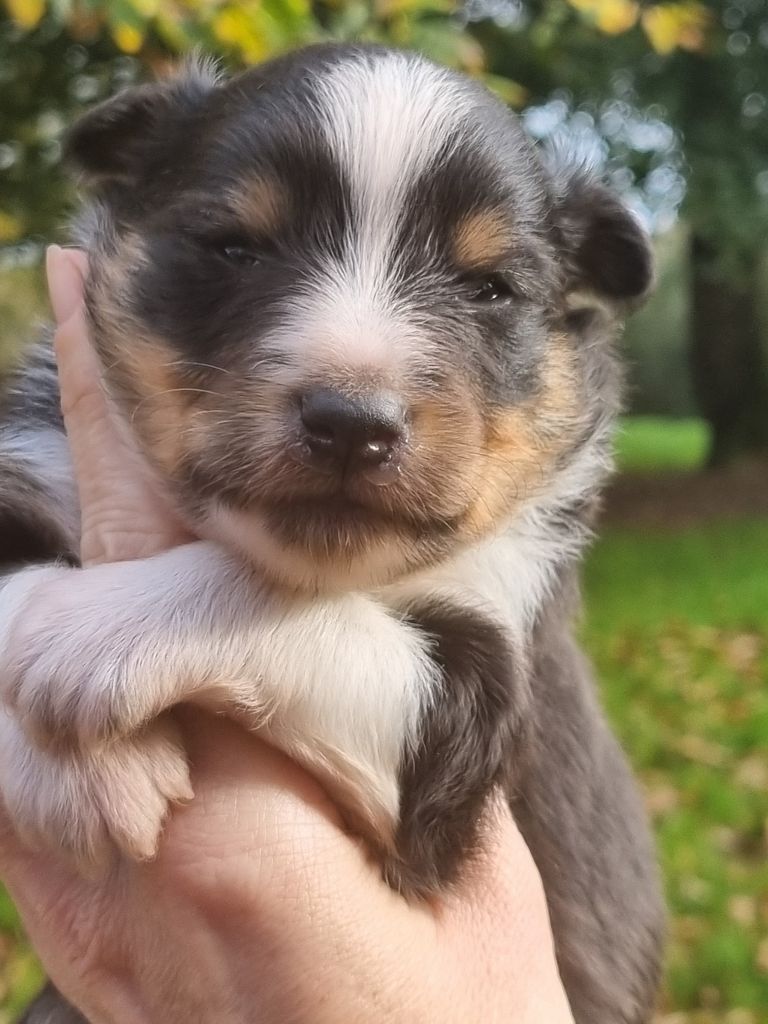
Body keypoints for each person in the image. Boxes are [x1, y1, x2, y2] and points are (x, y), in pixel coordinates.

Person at [0, 246, 574, 1023]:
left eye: (486, 288)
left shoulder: (507, 535)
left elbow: (444, 757)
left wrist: (191, 615)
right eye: (238, 249)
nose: (358, 385)